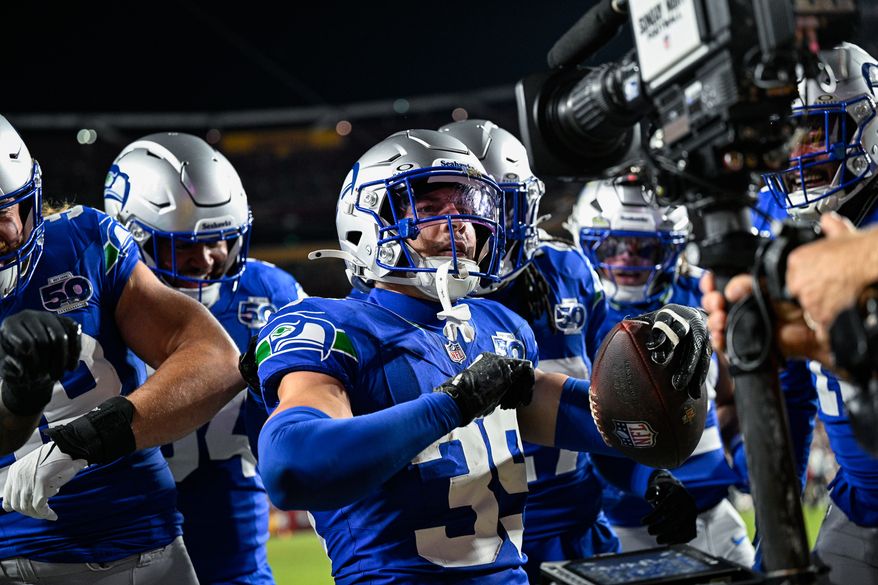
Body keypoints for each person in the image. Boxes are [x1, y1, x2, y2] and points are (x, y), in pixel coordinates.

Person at [244, 128, 711, 584]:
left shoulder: (498, 326)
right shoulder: (329, 325)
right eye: (429, 207)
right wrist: (451, 405)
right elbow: (291, 466)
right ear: (367, 220)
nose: (460, 222)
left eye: (468, 205)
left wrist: (669, 382)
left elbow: (631, 429)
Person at [439, 119, 698, 583]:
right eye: (469, 208)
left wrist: (648, 477)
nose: (488, 228)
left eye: (501, 208)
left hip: (581, 532)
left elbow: (609, 405)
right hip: (477, 553)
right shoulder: (412, 306)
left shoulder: (568, 273)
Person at [0, 115, 243, 585]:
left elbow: (214, 359)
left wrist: (85, 440)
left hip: (131, 547)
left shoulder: (82, 241)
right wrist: (19, 402)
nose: (4, 231)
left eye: (3, 212)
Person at [706, 42, 878, 584]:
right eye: (785, 140)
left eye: (813, 133)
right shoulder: (785, 228)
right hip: (859, 509)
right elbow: (792, 393)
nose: (797, 156)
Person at [103, 132, 306, 585]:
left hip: (236, 555)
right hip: (122, 548)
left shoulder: (270, 294)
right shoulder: (99, 305)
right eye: (185, 246)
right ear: (130, 238)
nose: (208, 260)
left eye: (221, 241)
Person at [566, 175, 755, 566]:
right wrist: (645, 482)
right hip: (629, 525)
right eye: (612, 245)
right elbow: (576, 427)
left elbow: (731, 399)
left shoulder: (702, 291)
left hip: (716, 514)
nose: (627, 259)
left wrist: (743, 452)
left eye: (644, 247)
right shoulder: (575, 312)